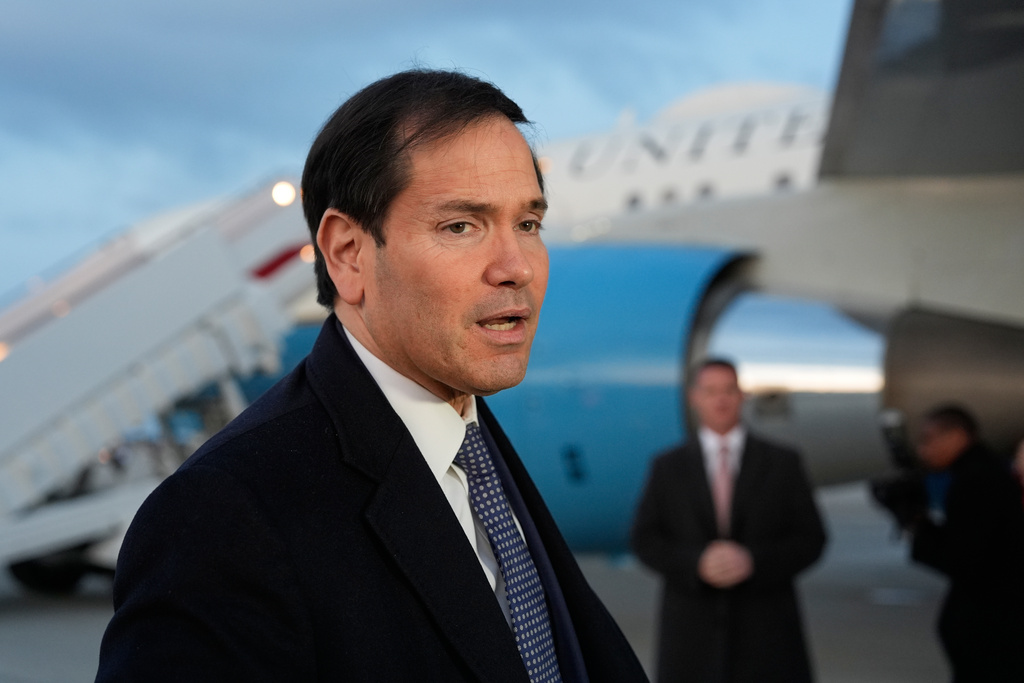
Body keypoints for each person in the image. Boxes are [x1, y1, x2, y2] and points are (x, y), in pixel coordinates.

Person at [96, 69, 648, 683]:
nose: (516, 267)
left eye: (528, 224)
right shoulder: (223, 518)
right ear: (348, 254)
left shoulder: (476, 445)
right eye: (460, 226)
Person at [630, 358, 826, 683]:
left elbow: (812, 538)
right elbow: (645, 539)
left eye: (728, 390)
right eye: (711, 391)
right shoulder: (667, 467)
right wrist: (696, 563)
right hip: (691, 641)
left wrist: (753, 561)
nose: (720, 399)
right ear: (695, 398)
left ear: (741, 396)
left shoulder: (783, 463)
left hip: (768, 638)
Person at [909, 405, 1024, 682]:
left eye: (929, 439)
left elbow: (966, 560)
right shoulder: (980, 476)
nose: (924, 450)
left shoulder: (977, 481)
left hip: (993, 633)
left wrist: (917, 524)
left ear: (957, 436)